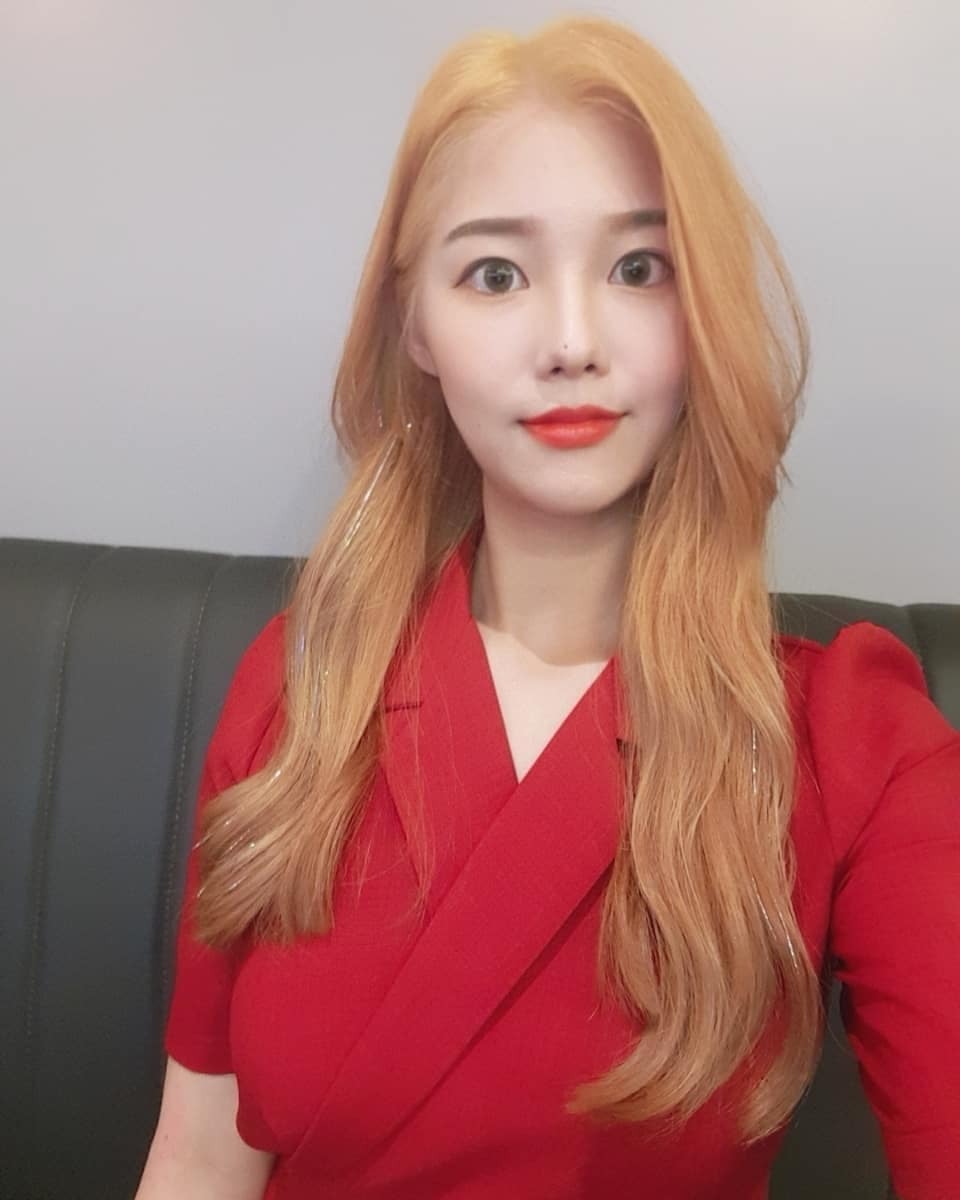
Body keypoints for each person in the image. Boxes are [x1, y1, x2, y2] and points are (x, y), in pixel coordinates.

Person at [135, 13, 960, 1199]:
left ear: (704, 312)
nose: (572, 342)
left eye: (640, 267)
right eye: (496, 274)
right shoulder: (298, 686)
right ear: (417, 327)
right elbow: (199, 1155)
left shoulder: (857, 741)